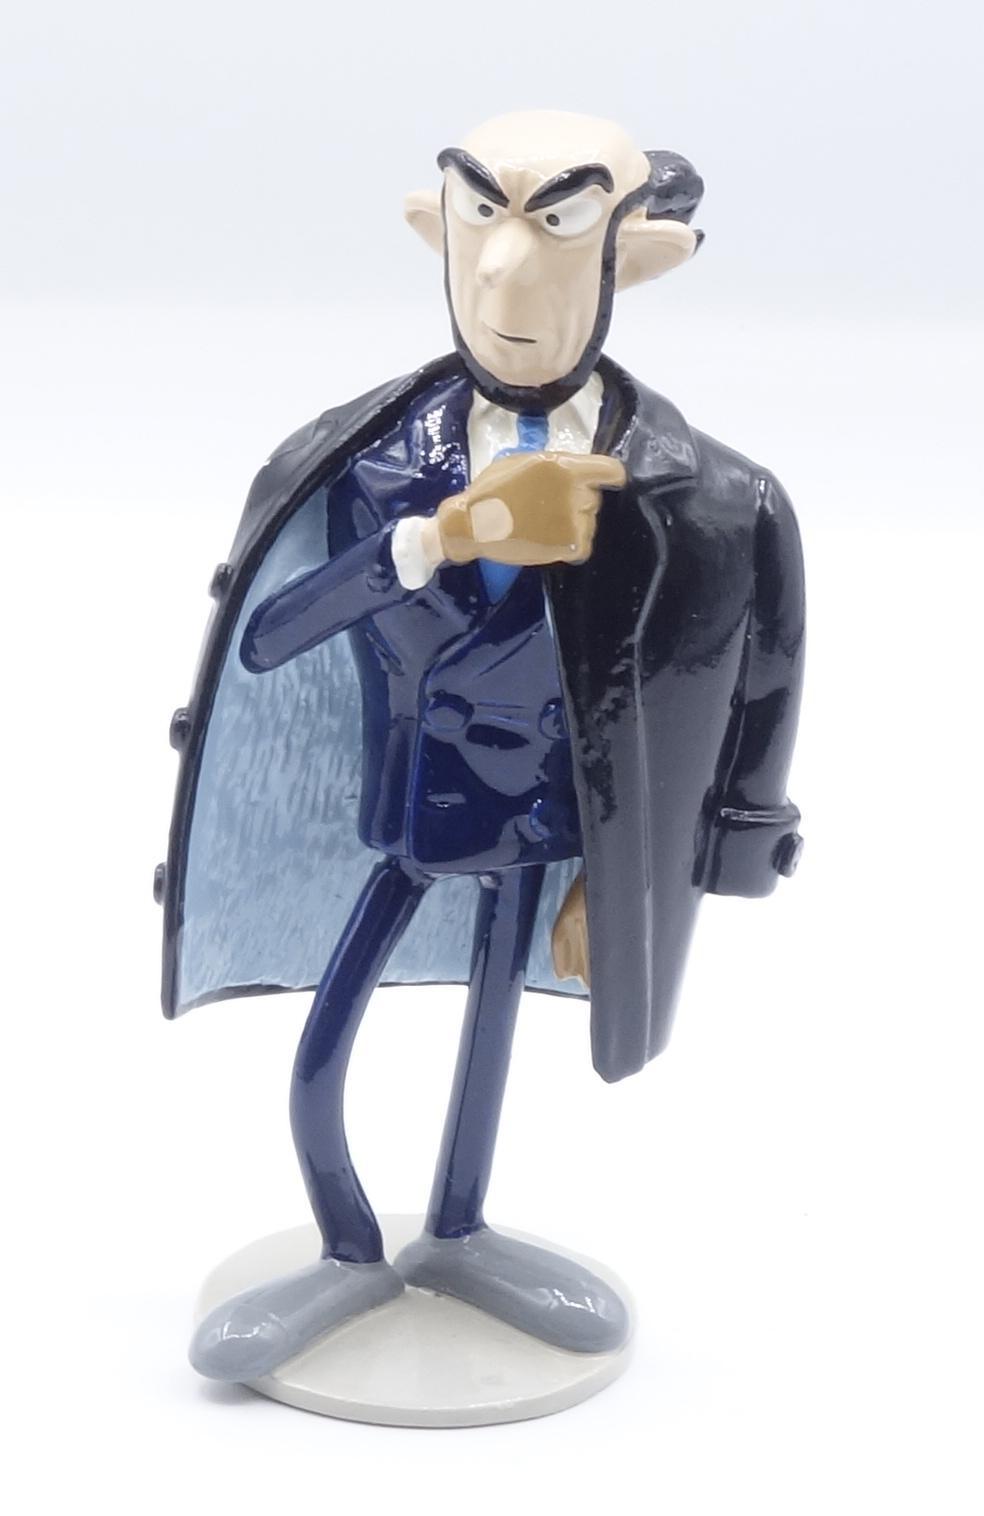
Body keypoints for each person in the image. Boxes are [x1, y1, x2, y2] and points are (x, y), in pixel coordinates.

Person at [158, 110, 804, 1381]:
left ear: (635, 259)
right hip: (413, 804)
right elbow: (274, 635)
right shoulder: (364, 462)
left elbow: (750, 688)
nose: (508, 277)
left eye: (559, 228)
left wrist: (638, 877)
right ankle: (347, 1243)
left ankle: (459, 1227)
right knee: (326, 1044)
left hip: (546, 825)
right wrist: (447, 537)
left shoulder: (716, 500)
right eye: (479, 223)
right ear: (437, 234)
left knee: (495, 1034)